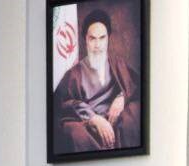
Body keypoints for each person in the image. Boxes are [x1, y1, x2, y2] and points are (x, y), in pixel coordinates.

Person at [52, 8, 141, 152]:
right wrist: (93, 118)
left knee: (134, 114)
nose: (97, 45)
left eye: (102, 38)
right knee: (73, 132)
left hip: (115, 122)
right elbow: (62, 104)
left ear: (108, 39)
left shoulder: (118, 65)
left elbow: (136, 87)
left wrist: (122, 98)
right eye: (92, 38)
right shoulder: (74, 74)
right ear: (85, 40)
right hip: (88, 126)